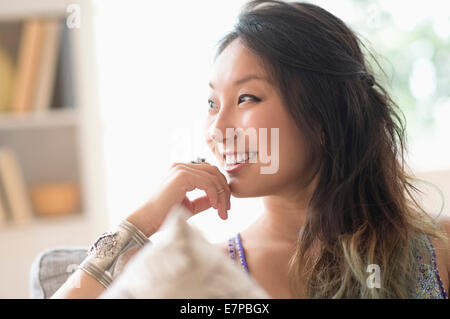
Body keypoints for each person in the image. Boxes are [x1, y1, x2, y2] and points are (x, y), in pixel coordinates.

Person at [53, 0, 449, 299]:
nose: (216, 129)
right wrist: (144, 220)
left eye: (246, 98)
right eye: (212, 104)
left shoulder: (437, 249)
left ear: (324, 117)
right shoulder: (206, 274)